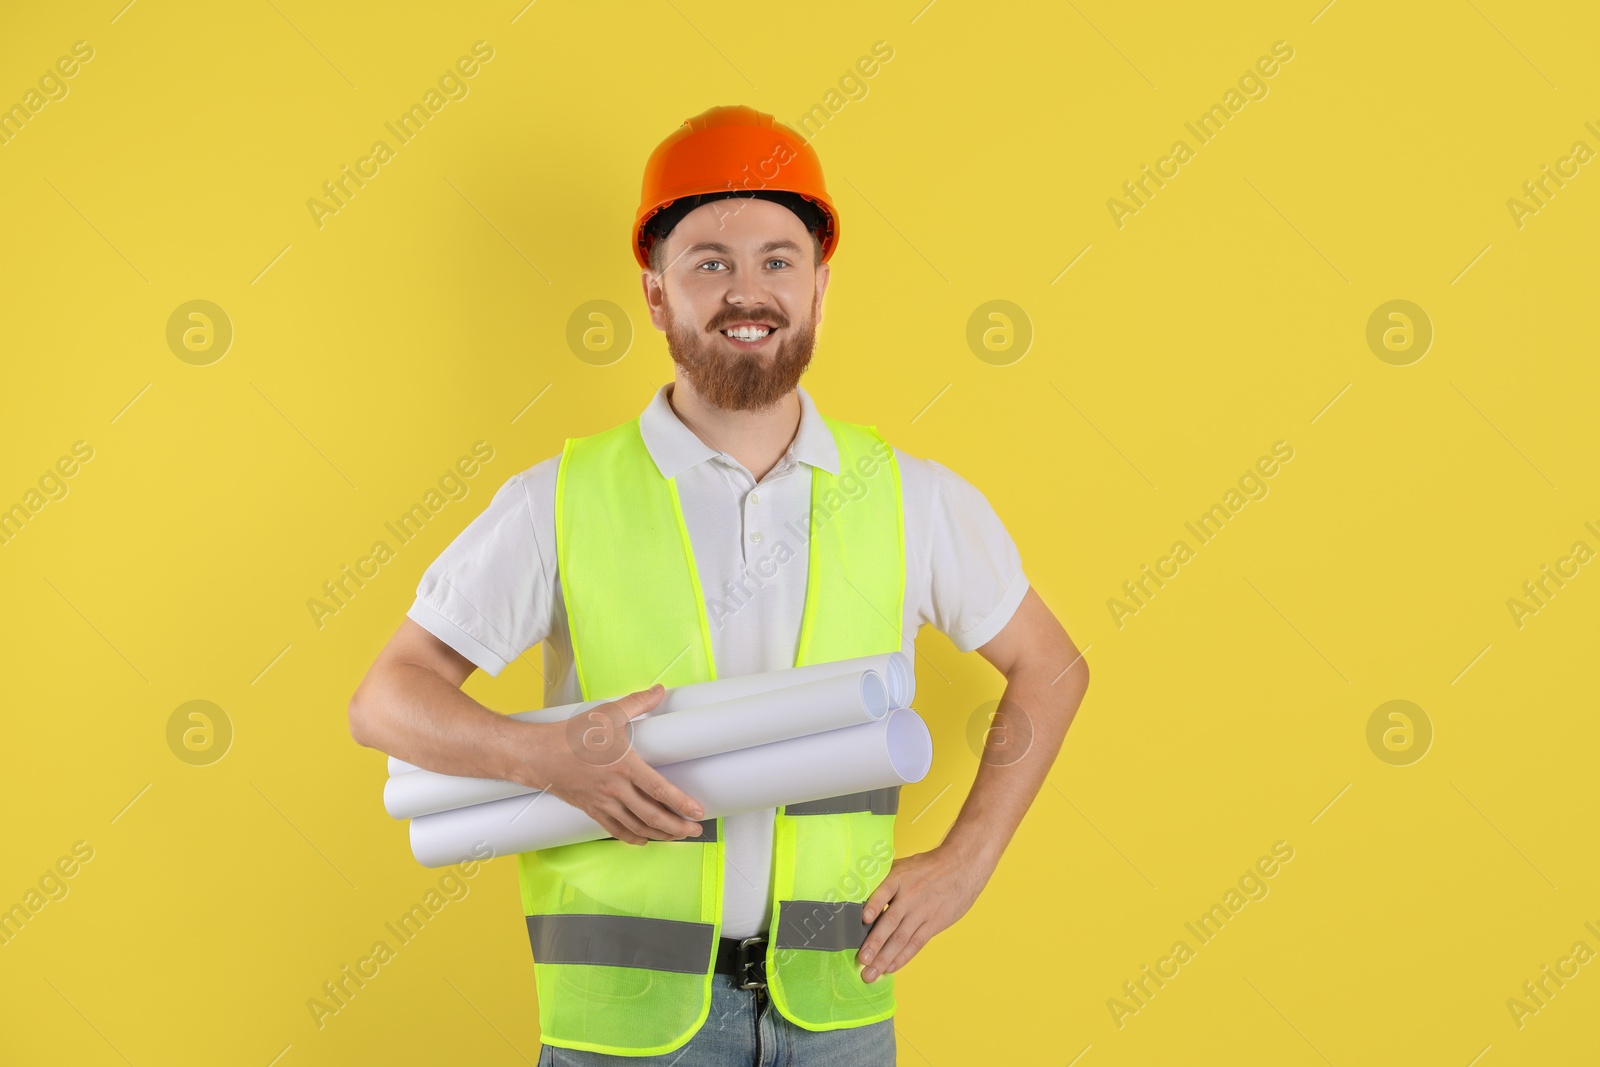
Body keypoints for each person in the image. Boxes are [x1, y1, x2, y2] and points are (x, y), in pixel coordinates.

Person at [349, 105, 1090, 1065]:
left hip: (837, 1008)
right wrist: (547, 758)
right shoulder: (558, 502)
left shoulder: (908, 496)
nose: (750, 292)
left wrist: (967, 862)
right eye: (711, 261)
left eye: (779, 260)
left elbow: (1052, 666)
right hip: (624, 1032)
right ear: (656, 293)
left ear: (821, 287)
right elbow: (386, 701)